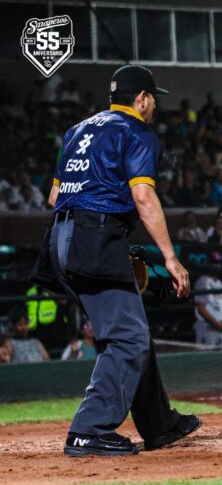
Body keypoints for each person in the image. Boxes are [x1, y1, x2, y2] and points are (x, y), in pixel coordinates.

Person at [33, 65, 200, 457]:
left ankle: (159, 425)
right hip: (92, 238)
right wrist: (171, 259)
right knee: (128, 336)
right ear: (140, 98)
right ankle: (88, 430)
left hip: (60, 239)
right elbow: (143, 198)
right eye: (153, 97)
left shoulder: (78, 130)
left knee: (131, 329)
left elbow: (54, 198)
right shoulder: (137, 132)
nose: (155, 104)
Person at [193, 253, 222, 347]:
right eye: (214, 264)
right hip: (207, 327)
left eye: (219, 264)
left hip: (221, 327)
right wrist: (214, 322)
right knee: (207, 359)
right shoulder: (202, 282)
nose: (217, 266)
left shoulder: (221, 284)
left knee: (220, 359)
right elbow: (200, 307)